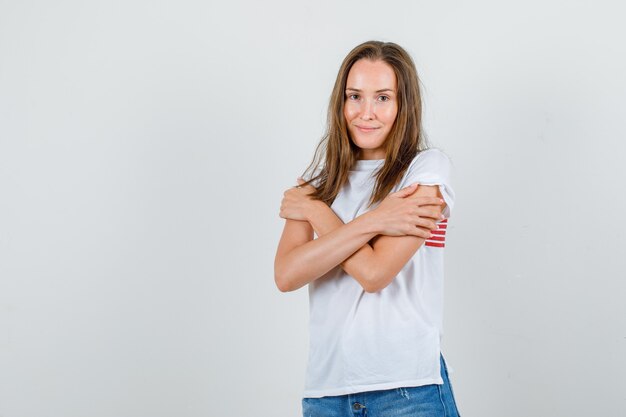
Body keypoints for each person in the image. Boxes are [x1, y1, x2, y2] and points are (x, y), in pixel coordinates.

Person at [274, 41, 461, 417]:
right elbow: (287, 275)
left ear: (402, 105)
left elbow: (375, 274)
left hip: (408, 392)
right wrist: (378, 220)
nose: (366, 112)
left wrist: (315, 212)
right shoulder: (317, 183)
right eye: (354, 96)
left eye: (382, 98)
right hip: (326, 395)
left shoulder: (425, 171)